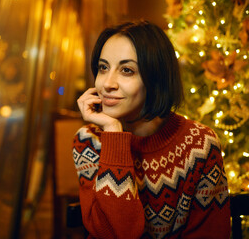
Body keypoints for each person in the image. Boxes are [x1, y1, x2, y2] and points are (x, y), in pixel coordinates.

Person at [73, 20, 231, 239]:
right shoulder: (88, 141)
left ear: (156, 78)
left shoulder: (200, 144)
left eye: (127, 70)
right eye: (103, 67)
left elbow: (211, 233)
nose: (107, 83)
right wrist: (112, 134)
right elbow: (115, 234)